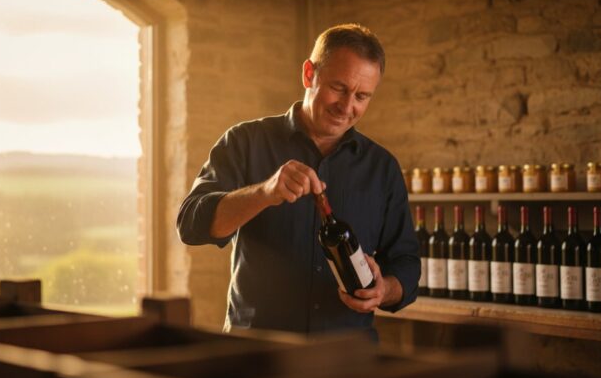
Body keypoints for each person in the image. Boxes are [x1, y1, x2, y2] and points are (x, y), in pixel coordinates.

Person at [177, 23, 420, 338]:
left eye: (362, 96)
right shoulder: (244, 141)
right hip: (256, 354)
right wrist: (264, 192)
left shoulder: (383, 167)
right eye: (339, 88)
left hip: (347, 362)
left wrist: (385, 289)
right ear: (309, 74)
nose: (347, 107)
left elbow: (406, 262)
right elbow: (191, 225)